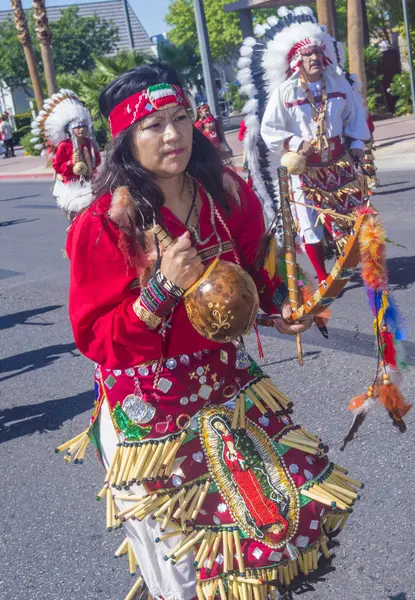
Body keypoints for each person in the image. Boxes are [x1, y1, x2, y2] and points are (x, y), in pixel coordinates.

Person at [57, 63, 363, 600]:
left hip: (227, 389)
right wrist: (162, 290)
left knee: (272, 532)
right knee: (186, 571)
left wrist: (277, 309)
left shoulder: (225, 192)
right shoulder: (104, 223)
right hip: (149, 407)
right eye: (153, 125)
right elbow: (96, 338)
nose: (172, 134)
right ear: (126, 138)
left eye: (179, 118)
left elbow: (255, 272)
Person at [239, 6, 370, 282]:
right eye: (308, 54)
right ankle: (323, 276)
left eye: (317, 53)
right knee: (309, 223)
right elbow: (269, 128)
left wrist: (357, 142)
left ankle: (348, 259)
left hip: (339, 162)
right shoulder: (286, 92)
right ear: (297, 60)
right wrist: (296, 143)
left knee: (351, 214)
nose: (314, 58)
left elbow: (354, 114)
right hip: (304, 168)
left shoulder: (338, 84)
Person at [30, 90, 101, 218]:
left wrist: (89, 163)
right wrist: (71, 163)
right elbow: (57, 167)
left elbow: (98, 160)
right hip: (70, 184)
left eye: (83, 126)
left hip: (89, 180)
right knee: (77, 215)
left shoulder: (90, 143)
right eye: (77, 127)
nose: (81, 129)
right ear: (70, 129)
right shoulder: (64, 145)